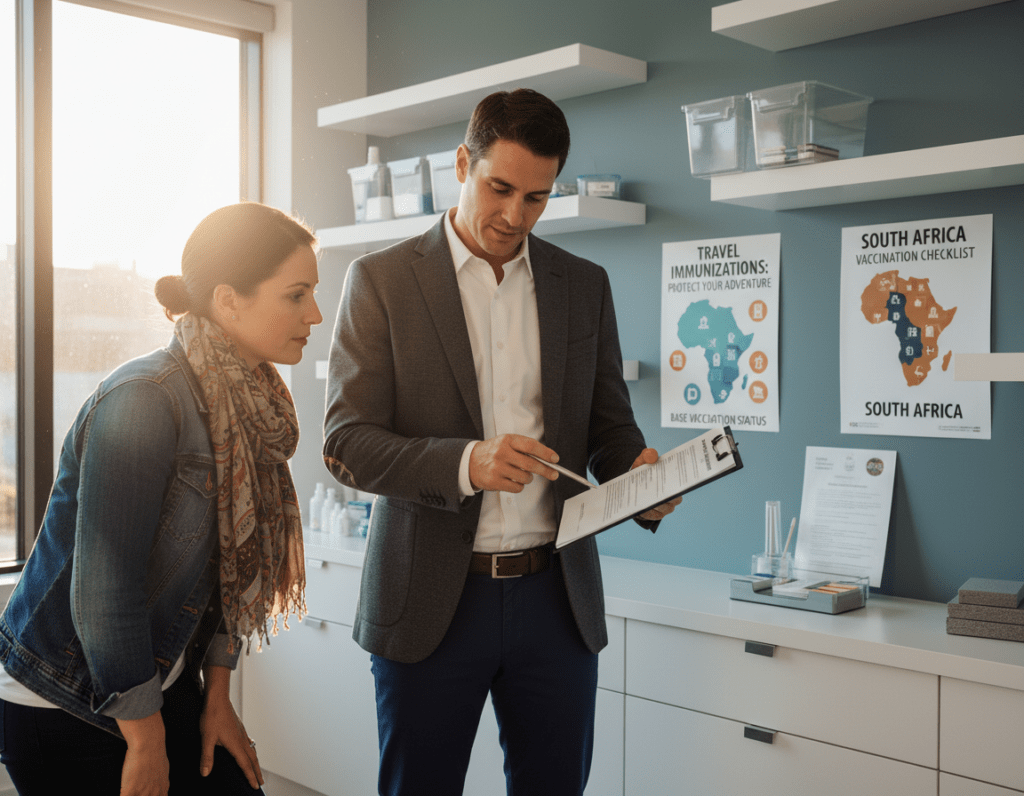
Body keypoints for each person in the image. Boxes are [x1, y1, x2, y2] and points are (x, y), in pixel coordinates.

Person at [323, 88, 680, 795]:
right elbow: (345, 443)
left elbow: (609, 428)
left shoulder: (584, 286)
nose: (515, 217)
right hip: (430, 604)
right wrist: (466, 463)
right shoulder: (381, 282)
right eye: (500, 188)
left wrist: (641, 480)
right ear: (463, 162)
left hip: (557, 604)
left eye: (538, 199)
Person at [0, 201, 323, 795]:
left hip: (156, 681)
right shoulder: (145, 400)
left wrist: (216, 697)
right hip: (65, 692)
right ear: (229, 300)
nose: (316, 314)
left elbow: (232, 564)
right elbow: (104, 587)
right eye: (296, 295)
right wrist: (147, 744)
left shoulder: (246, 404)